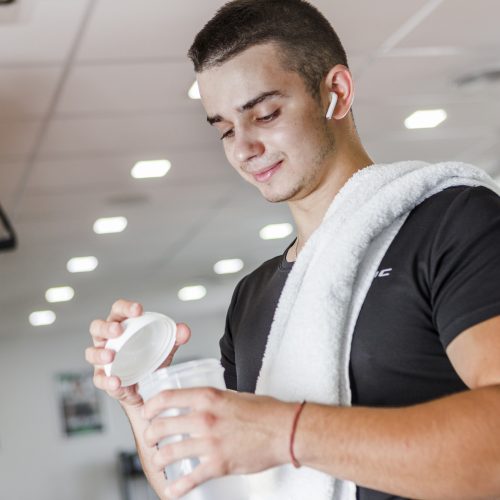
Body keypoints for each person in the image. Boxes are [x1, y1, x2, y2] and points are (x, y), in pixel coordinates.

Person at [86, 1, 500, 499]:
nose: (242, 148)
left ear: (337, 93)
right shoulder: (254, 297)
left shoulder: (454, 223)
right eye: (224, 129)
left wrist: (285, 431)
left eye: (264, 114)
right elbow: (213, 481)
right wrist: (141, 396)